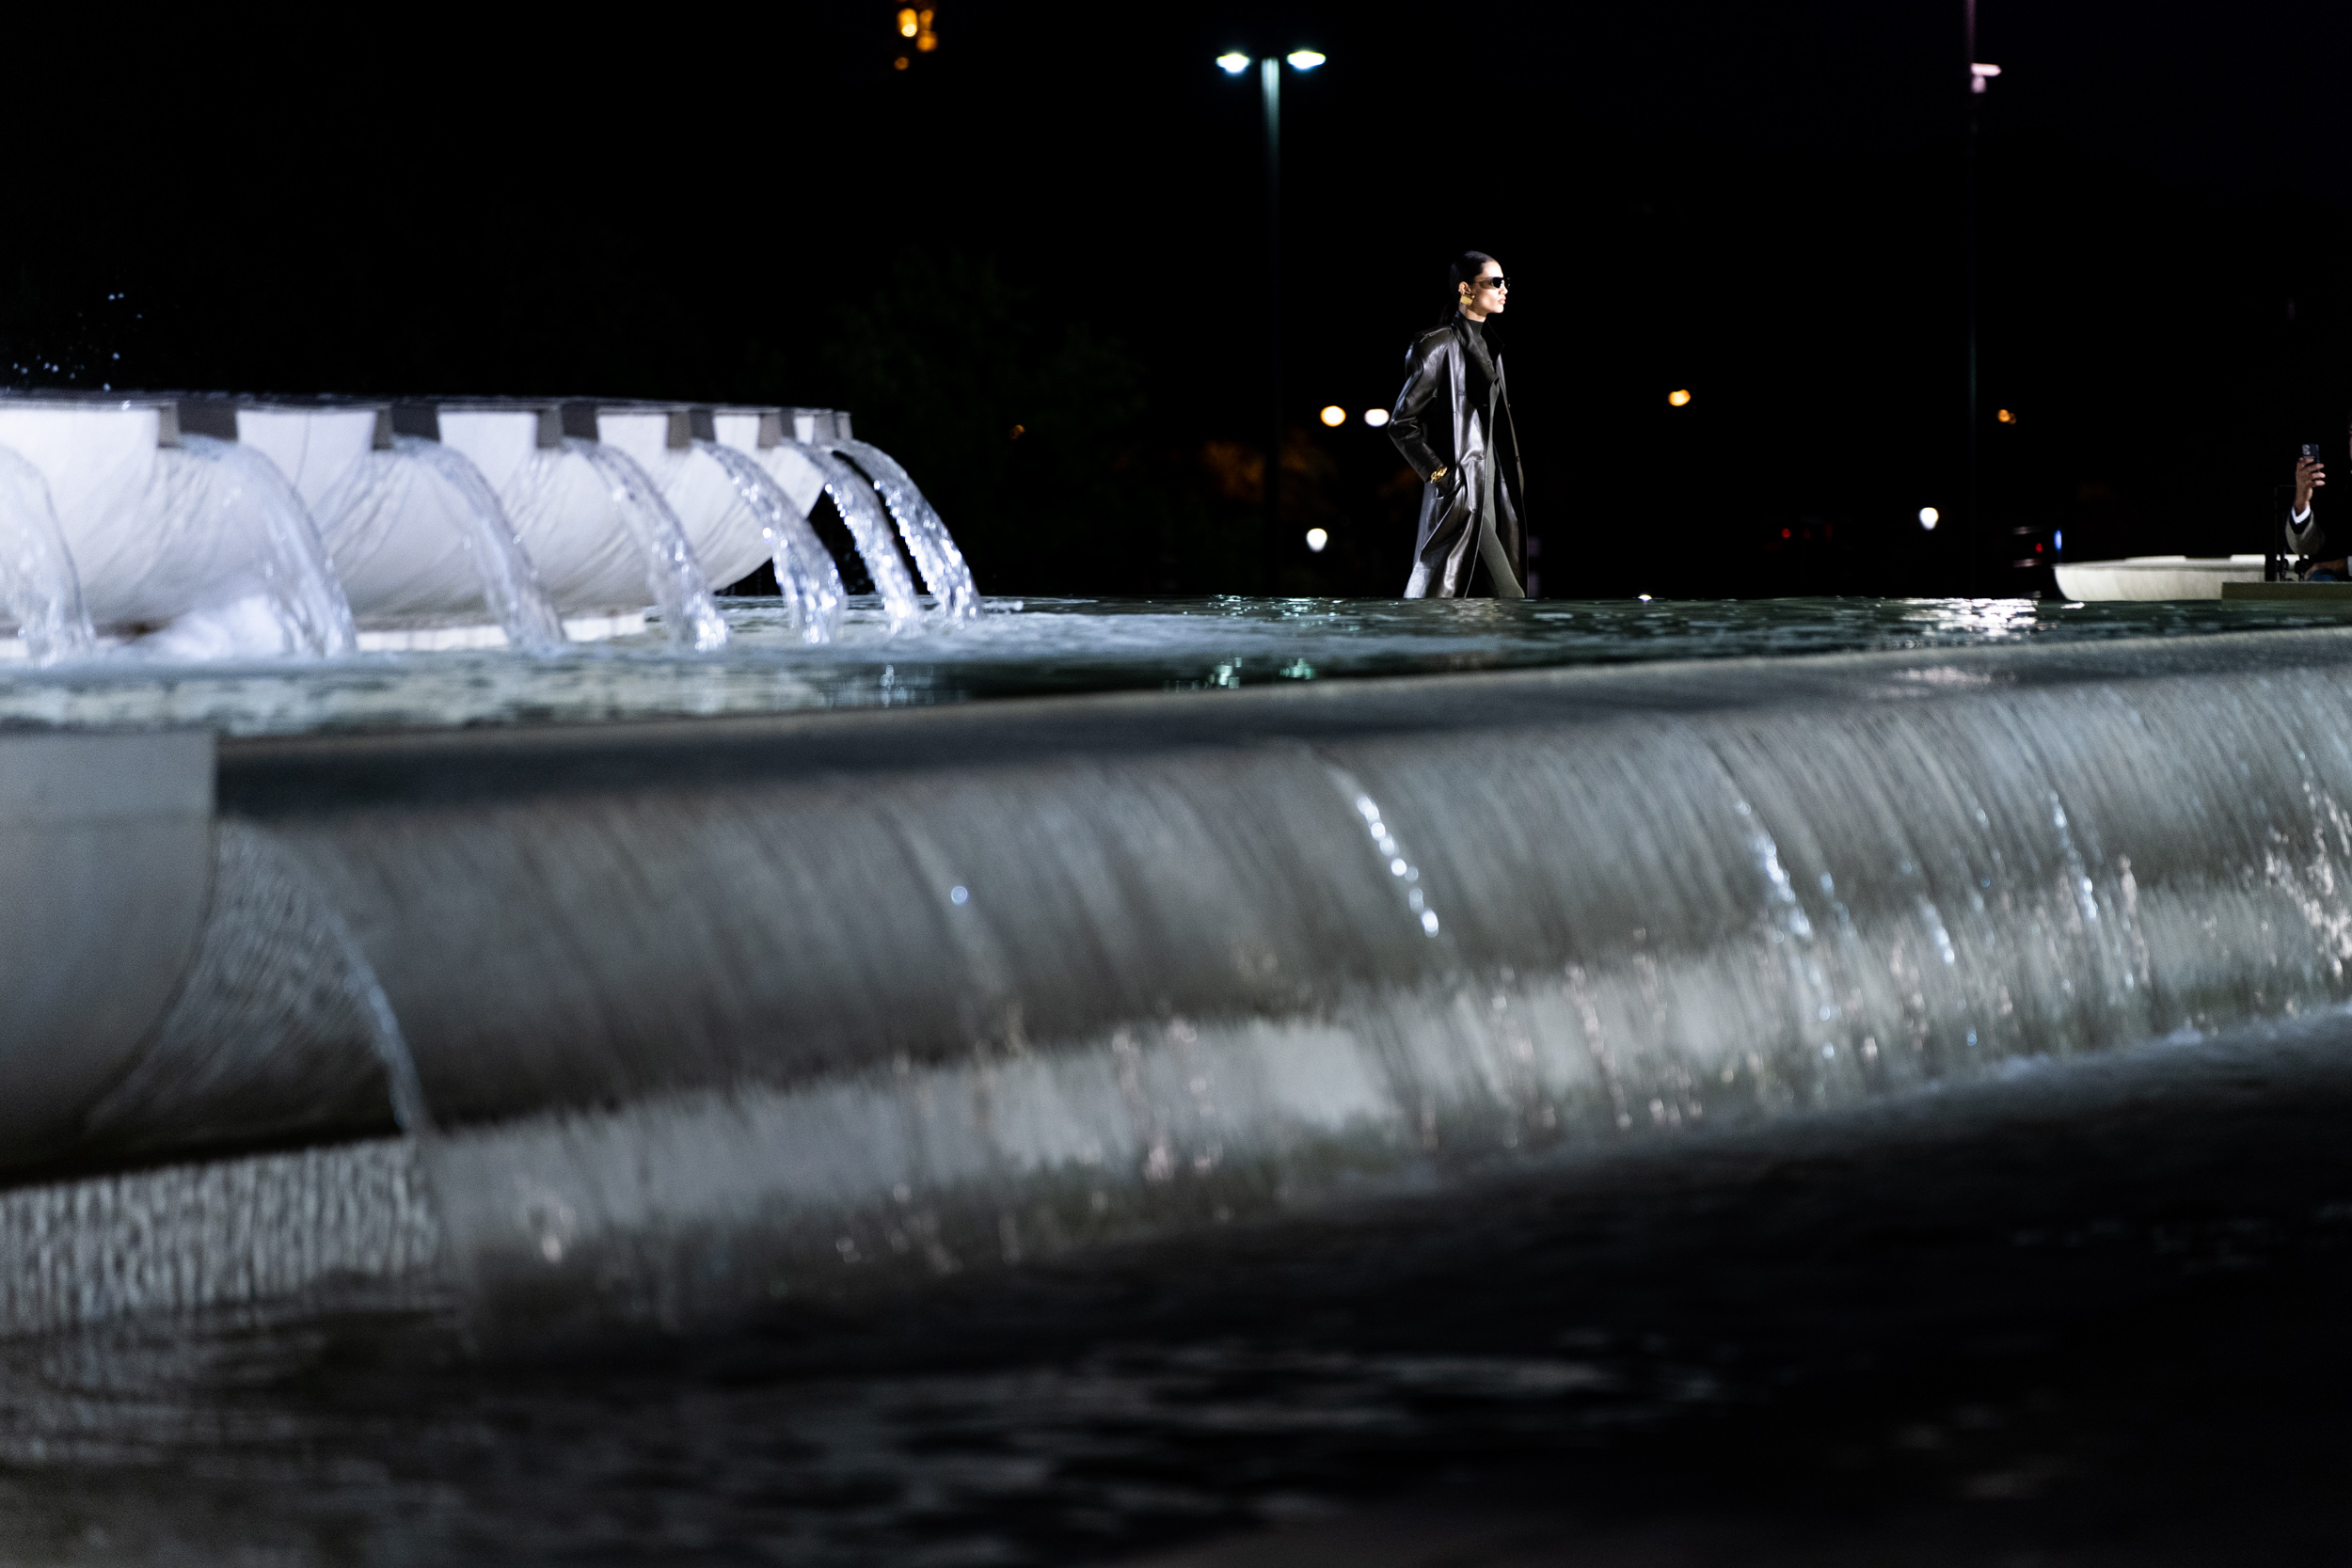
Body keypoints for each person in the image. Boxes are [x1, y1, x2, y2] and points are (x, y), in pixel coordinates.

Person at [1389, 252, 1530, 598]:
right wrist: (1442, 476)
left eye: (1505, 282)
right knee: (1509, 594)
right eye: (1494, 282)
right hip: (1464, 495)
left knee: (1485, 601)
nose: (1504, 289)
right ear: (1466, 289)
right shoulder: (1434, 345)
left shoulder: (1492, 348)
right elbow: (1402, 424)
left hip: (1496, 491)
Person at [2287, 420, 2349, 580]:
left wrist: (2334, 565)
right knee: (2322, 579)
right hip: (2337, 583)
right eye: (2351, 434)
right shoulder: (2337, 486)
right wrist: (2302, 501)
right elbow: (2305, 547)